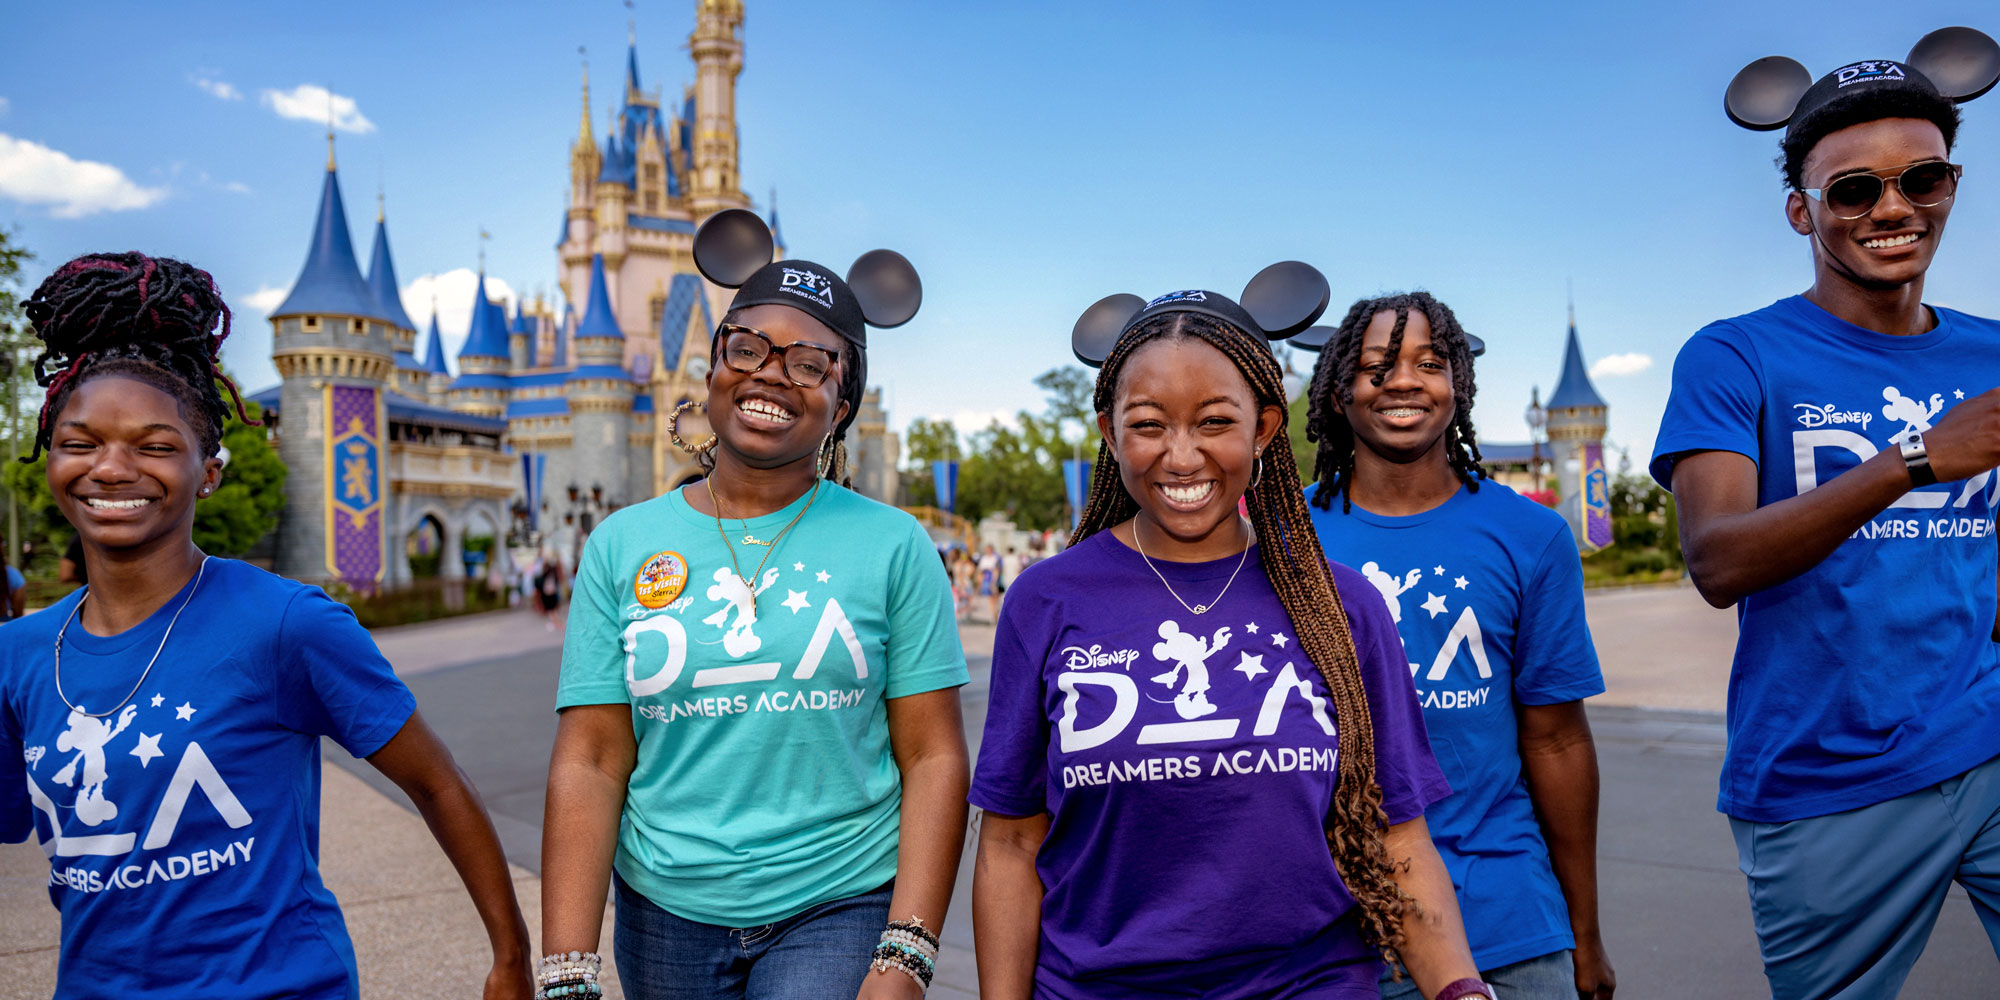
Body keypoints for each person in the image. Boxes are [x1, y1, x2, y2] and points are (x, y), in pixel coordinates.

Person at [0, 252, 531, 999]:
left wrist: (512, 959)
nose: (112, 468)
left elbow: (438, 784)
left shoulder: (285, 624)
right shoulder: (17, 654)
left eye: (154, 445)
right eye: (80, 443)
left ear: (207, 470)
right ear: (50, 459)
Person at [973, 270, 1494, 1000]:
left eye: (1215, 421)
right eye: (1149, 424)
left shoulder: (1342, 607)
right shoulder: (1045, 599)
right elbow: (1010, 842)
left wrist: (1460, 990)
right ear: (1109, 432)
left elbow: (1398, 837)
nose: (1181, 456)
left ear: (1265, 428)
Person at [541, 210, 970, 1000]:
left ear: (842, 407)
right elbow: (594, 758)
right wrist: (566, 970)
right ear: (709, 372)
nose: (771, 373)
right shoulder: (621, 545)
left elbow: (934, 756)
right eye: (748, 349)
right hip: (665, 910)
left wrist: (907, 953)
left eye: (811, 364)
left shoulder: (893, 545)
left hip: (838, 897)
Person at [1656, 30, 2000, 998]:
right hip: (1822, 782)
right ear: (1800, 210)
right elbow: (1716, 561)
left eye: (1919, 179)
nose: (1891, 206)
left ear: (1949, 187)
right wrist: (1918, 457)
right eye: (1853, 189)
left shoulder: (1990, 356)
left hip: (1985, 737)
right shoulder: (1734, 357)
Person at [1301, 292, 1613, 999]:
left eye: (1430, 362)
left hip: (1503, 923)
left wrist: (1584, 932)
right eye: (1375, 365)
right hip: (1328, 933)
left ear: (1458, 385)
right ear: (1337, 391)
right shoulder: (1284, 540)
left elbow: (1558, 743)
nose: (1404, 380)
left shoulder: (1531, 537)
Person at [535, 547, 565, 631]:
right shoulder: (552, 571)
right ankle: (557, 624)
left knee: (552, 610)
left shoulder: (548, 571)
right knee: (552, 610)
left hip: (549, 592)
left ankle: (558, 624)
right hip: (550, 592)